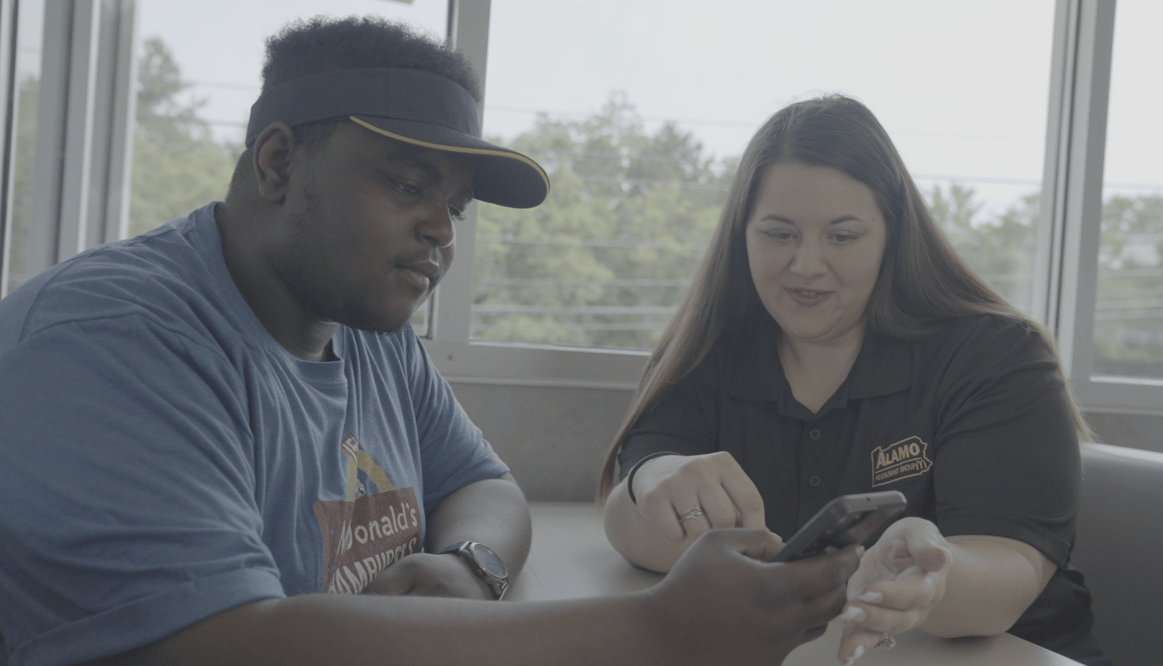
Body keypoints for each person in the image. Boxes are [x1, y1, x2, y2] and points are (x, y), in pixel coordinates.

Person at [0, 17, 861, 666]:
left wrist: (471, 567)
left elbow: (486, 486)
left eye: (452, 206)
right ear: (275, 162)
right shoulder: (113, 341)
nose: (440, 232)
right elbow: (231, 645)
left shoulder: (371, 334)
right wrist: (656, 627)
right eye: (407, 185)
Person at [598, 95, 1111, 666]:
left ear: (893, 234)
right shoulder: (704, 353)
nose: (807, 265)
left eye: (842, 237)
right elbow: (627, 520)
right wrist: (660, 477)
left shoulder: (996, 356)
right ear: (741, 234)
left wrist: (931, 579)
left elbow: (1009, 570)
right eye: (778, 233)